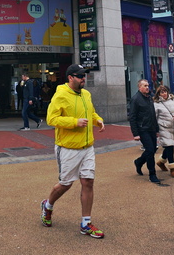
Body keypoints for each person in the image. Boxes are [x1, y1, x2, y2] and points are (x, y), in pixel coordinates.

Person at [41, 64, 105, 239]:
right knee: (65, 184)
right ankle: (48, 205)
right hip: (68, 148)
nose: (83, 79)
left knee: (88, 182)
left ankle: (86, 223)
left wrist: (98, 120)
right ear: (70, 77)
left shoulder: (86, 94)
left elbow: (91, 113)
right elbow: (51, 118)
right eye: (79, 76)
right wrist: (74, 122)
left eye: (84, 76)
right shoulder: (60, 94)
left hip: (87, 147)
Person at [129, 78, 160, 183]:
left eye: (148, 85)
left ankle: (139, 162)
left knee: (153, 149)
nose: (147, 87)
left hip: (151, 128)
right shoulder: (135, 99)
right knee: (150, 151)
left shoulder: (149, 98)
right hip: (142, 129)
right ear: (139, 87)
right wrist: (135, 134)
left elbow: (153, 115)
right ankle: (152, 174)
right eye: (145, 86)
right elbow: (132, 117)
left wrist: (156, 129)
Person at [154, 85, 174, 178]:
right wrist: (155, 129)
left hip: (173, 127)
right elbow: (154, 117)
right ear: (158, 94)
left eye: (165, 91)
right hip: (163, 127)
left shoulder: (173, 100)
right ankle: (172, 168)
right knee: (170, 146)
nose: (164, 94)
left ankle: (161, 162)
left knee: (169, 145)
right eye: (162, 92)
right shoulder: (156, 103)